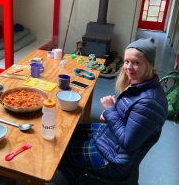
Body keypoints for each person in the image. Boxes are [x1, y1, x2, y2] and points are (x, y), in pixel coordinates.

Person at [59, 38, 168, 183]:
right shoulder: (142, 83)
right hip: (111, 139)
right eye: (127, 61)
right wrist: (113, 113)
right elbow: (131, 118)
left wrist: (110, 111)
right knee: (67, 135)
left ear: (148, 65)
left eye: (136, 62)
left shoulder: (149, 103)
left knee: (59, 154)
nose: (129, 67)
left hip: (114, 159)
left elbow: (127, 143)